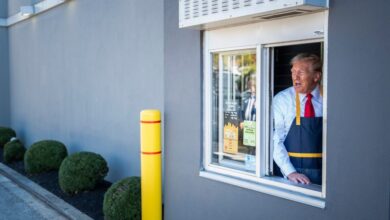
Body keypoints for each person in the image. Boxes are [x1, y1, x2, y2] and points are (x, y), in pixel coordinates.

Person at [273, 53, 323, 185]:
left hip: (327, 175)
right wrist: (290, 172)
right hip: (293, 176)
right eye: (293, 72)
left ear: (316, 76)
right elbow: (275, 140)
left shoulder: (329, 98)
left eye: (300, 72)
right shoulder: (282, 100)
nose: (295, 77)